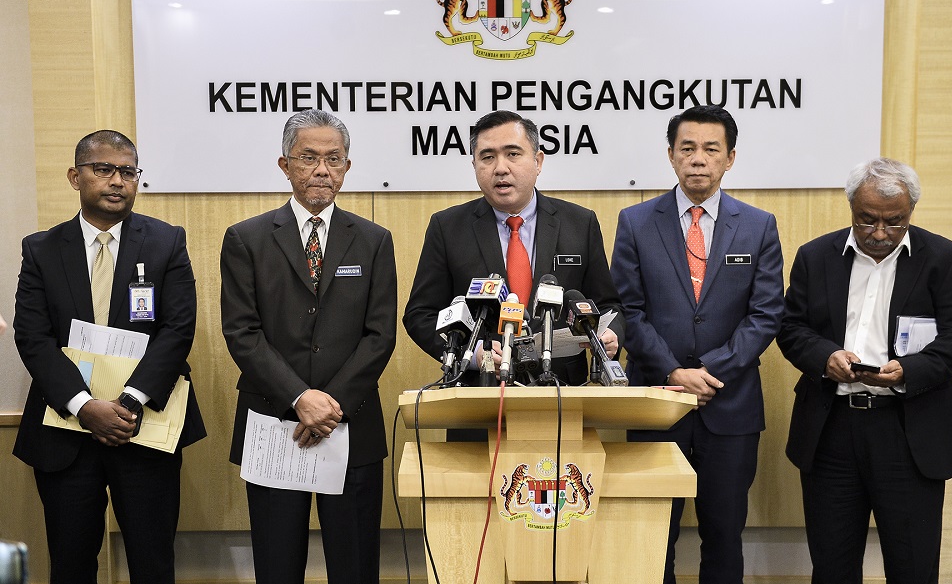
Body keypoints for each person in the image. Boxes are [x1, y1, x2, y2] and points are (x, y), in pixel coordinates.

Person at [12, 129, 205, 583]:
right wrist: (85, 407)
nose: (117, 180)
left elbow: (178, 331)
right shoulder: (40, 249)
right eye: (103, 169)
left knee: (153, 563)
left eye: (128, 171)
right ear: (75, 177)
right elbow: (33, 337)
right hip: (65, 433)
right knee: (71, 564)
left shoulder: (166, 242)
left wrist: (129, 402)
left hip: (144, 427)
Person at [777, 157, 952, 584]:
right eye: (867, 221)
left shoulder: (943, 258)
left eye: (895, 222)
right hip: (833, 431)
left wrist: (908, 370)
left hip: (909, 434)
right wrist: (825, 357)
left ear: (911, 213)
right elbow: (792, 328)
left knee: (912, 567)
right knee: (832, 567)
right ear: (851, 208)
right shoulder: (816, 257)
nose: (881, 234)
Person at [610, 105, 784, 584]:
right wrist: (672, 372)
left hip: (730, 408)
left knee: (724, 535)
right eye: (687, 148)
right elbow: (628, 311)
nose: (698, 159)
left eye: (711, 149)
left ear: (730, 158)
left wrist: (707, 370)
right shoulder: (635, 222)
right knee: (651, 534)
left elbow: (766, 313)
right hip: (656, 405)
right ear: (671, 156)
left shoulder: (758, 225)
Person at [221, 109, 396, 584]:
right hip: (276, 425)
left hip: (350, 425)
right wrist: (301, 399)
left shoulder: (375, 240)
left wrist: (330, 405)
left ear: (347, 167)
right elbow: (241, 332)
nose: (322, 169)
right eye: (309, 158)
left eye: (333, 159)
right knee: (278, 567)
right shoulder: (246, 239)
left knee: (356, 567)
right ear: (284, 165)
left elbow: (380, 335)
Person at [403, 109, 623, 387]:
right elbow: (420, 315)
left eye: (513, 154)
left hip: (563, 392)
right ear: (474, 166)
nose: (500, 168)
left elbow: (607, 305)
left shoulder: (580, 223)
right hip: (479, 393)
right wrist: (472, 355)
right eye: (487, 157)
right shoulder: (447, 228)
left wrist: (610, 336)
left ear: (538, 161)